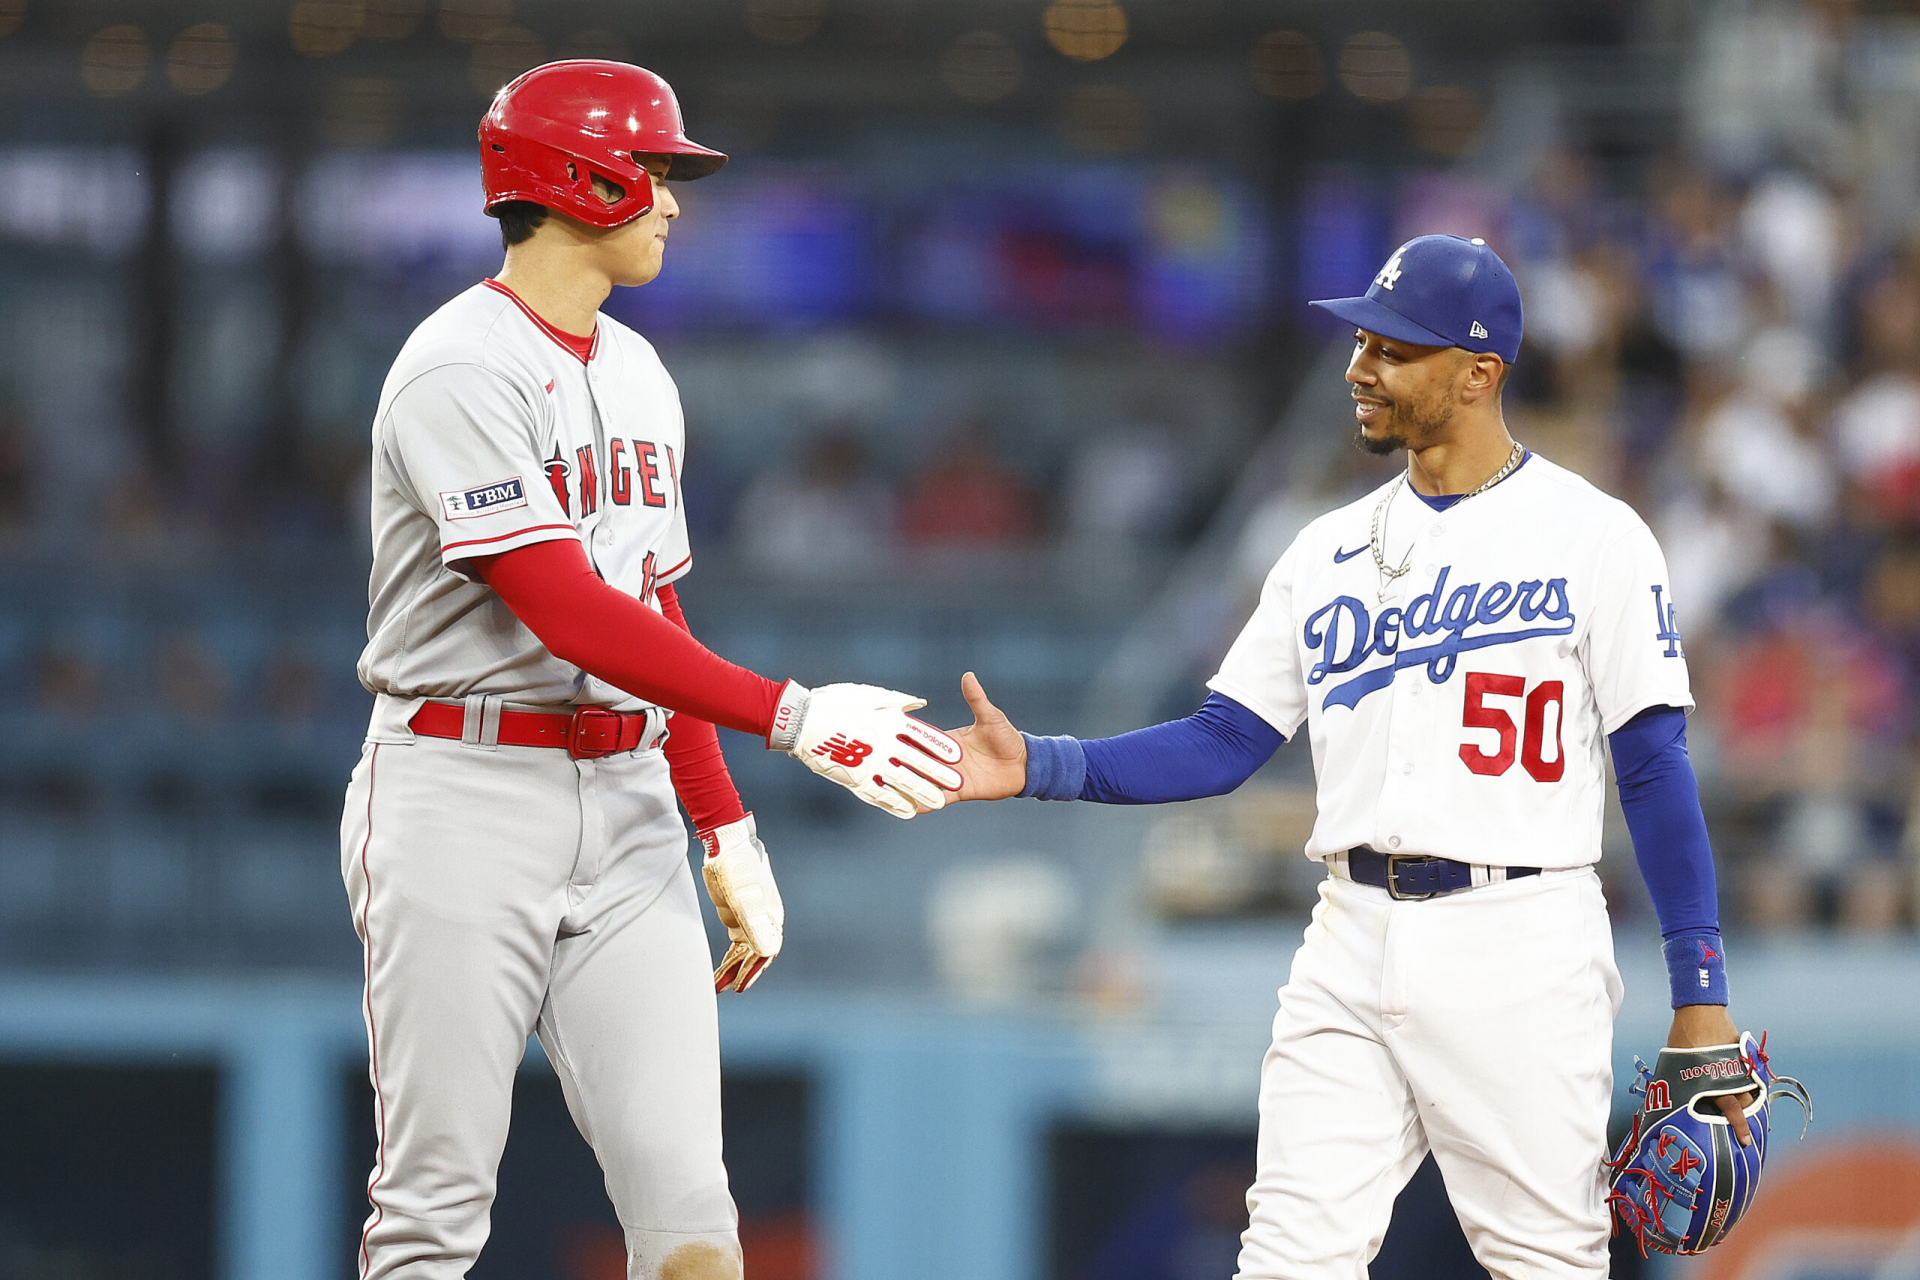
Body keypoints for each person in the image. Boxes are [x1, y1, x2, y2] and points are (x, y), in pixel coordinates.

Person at [944, 235, 1754, 1277]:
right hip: (1349, 929)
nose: (1358, 367)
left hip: (1520, 934)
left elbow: (1652, 764)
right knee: (1287, 1256)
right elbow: (1224, 739)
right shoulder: (1321, 550)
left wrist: (1702, 983)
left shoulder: (1595, 535)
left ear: (1478, 372)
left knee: (1548, 1262)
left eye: (1393, 348)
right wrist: (1043, 762)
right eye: (1362, 340)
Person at [339, 61, 961, 1280]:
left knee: (692, 1227)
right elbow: (563, 607)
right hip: (462, 789)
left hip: (626, 809)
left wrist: (721, 822)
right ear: (579, 180)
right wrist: (787, 714)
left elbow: (650, 603)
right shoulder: (457, 362)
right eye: (658, 173)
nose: (674, 201)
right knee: (432, 1215)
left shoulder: (636, 369)